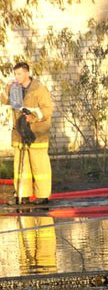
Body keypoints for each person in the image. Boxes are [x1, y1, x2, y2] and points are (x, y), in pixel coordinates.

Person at [0, 62, 54, 205]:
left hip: (36, 134)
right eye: (15, 74)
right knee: (22, 168)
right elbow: (4, 100)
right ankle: (23, 195)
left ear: (27, 73)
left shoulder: (39, 89)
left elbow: (47, 110)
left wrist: (33, 117)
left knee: (39, 167)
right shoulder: (15, 89)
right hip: (19, 134)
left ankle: (42, 196)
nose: (16, 77)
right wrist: (8, 87)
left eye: (19, 74)